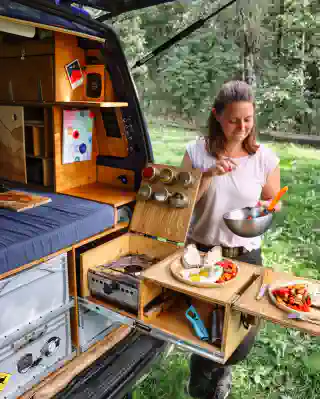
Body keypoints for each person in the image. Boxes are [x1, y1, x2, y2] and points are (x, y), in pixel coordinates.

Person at [181, 80, 281, 399]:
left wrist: (271, 206)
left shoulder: (264, 158)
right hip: (201, 252)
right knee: (204, 331)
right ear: (217, 116)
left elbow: (270, 199)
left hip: (245, 255)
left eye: (248, 119)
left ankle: (214, 368)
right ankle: (203, 379)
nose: (242, 127)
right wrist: (208, 174)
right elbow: (181, 202)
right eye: (234, 119)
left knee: (240, 342)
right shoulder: (197, 152)